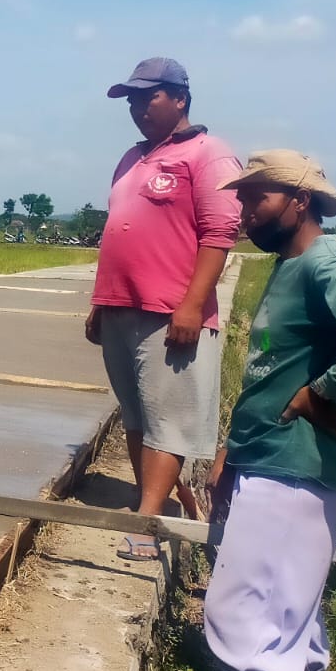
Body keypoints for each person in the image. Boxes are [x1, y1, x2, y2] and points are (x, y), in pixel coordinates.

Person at [203, 151, 336, 671]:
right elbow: (271, 370)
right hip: (269, 462)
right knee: (289, 616)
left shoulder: (328, 265)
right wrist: (232, 451)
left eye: (258, 198)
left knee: (249, 617)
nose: (245, 211)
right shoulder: (289, 266)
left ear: (300, 200)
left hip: (294, 469)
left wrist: (324, 396)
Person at [85, 57, 242, 560]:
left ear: (180, 98)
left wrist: (191, 306)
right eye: (132, 99)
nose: (137, 107)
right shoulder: (133, 157)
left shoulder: (209, 154)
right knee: (137, 413)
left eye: (147, 96)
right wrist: (100, 302)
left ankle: (149, 522)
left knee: (167, 419)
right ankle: (147, 501)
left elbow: (219, 234)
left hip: (171, 310)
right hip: (120, 305)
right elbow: (118, 230)